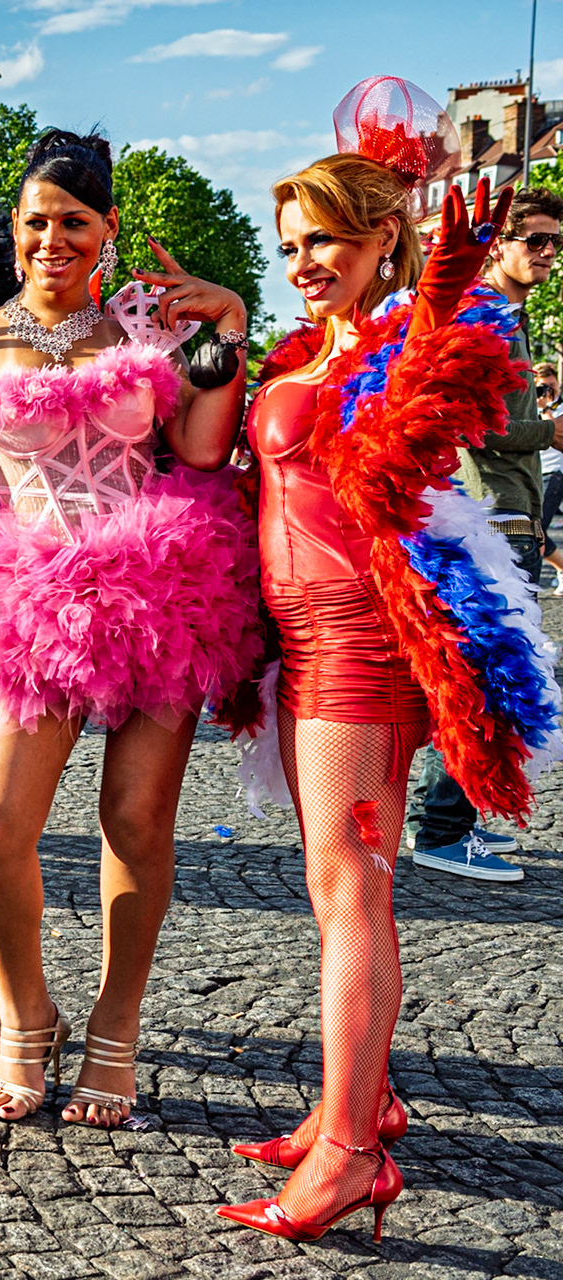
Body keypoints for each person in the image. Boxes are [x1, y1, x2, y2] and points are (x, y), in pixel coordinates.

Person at [0, 130, 258, 1125]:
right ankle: (26, 1017)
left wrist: (230, 325)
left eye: (74, 221)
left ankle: (115, 1030)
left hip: (160, 588)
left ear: (107, 230)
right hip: (32, 602)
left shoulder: (146, 331)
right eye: (36, 220)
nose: (52, 238)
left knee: (135, 820)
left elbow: (203, 446)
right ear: (18, 230)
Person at [216, 80, 546, 1241]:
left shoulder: (407, 339)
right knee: (332, 888)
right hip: (300, 650)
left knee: (352, 887)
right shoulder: (312, 346)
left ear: (382, 240)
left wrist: (449, 273)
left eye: (327, 241)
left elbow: (426, 389)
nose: (304, 259)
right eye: (291, 243)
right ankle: (360, 1099)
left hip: (361, 643)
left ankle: (352, 1153)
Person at [406, 186, 563, 881]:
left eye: (557, 243)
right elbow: (472, 420)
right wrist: (550, 431)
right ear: (498, 245)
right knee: (482, 681)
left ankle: (449, 816)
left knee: (486, 677)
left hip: (508, 513)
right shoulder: (484, 316)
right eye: (535, 240)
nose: (549, 254)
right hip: (488, 519)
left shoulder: (511, 316)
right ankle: (442, 830)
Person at [538, 362, 563, 589]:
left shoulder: (560, 410)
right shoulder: (529, 409)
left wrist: (546, 408)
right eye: (543, 387)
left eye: (552, 386)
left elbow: (552, 434)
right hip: (536, 475)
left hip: (554, 475)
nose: (549, 391)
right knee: (535, 529)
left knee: (537, 529)